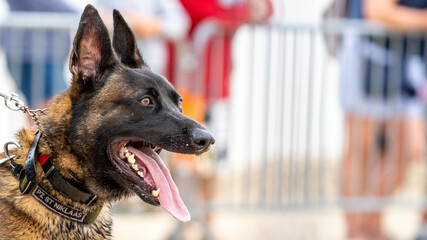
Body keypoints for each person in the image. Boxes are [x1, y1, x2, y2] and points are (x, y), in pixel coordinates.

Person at [338, 0, 427, 239]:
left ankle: (368, 223)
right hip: (368, 52)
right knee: (361, 148)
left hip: (404, 61)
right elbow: (377, 11)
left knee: (407, 150)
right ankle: (357, 229)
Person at [1, 0, 76, 108]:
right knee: (52, 107)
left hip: (34, 55)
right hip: (34, 56)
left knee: (37, 107)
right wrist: (86, 14)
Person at [95, 0, 190, 76]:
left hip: (150, 66)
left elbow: (181, 23)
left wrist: (155, 25)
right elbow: (84, 14)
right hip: (108, 67)